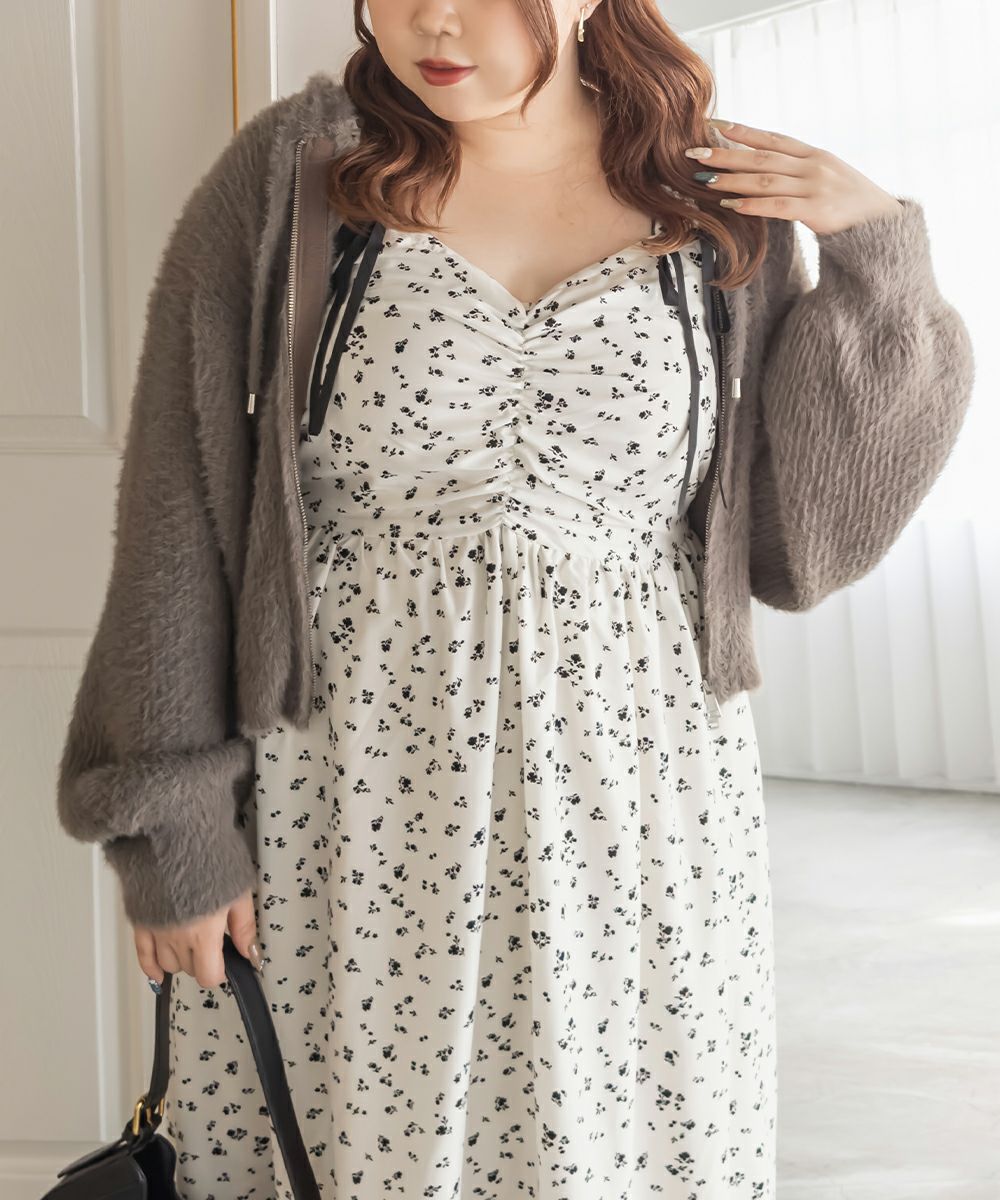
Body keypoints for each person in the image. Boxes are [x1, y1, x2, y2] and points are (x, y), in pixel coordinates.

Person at [55, 1, 975, 1196]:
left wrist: (877, 259)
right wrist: (171, 821)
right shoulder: (297, 175)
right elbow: (179, 501)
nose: (433, 21)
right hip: (353, 794)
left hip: (641, 798)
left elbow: (805, 546)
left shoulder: (713, 198)